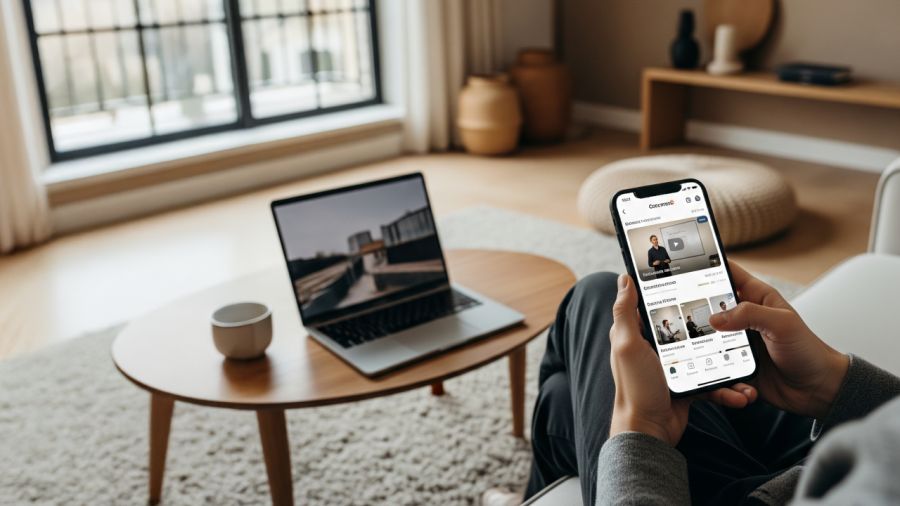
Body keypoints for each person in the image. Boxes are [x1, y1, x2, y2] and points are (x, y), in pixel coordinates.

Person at [482, 263, 900, 506]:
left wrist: (641, 428)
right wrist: (830, 383)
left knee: (593, 300)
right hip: (851, 455)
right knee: (563, 398)